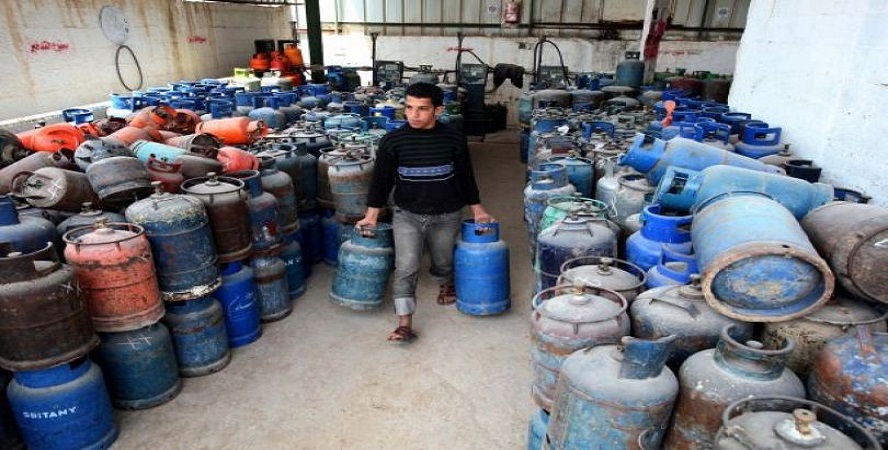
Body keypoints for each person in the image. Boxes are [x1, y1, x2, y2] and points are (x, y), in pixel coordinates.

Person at [355, 82, 493, 344]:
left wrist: (478, 210)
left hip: (447, 214)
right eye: (409, 108)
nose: (413, 114)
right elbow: (380, 182)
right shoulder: (392, 141)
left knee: (443, 261)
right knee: (406, 266)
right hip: (407, 214)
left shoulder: (454, 139)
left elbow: (465, 178)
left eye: (422, 109)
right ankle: (404, 324)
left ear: (438, 110)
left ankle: (445, 282)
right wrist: (371, 215)